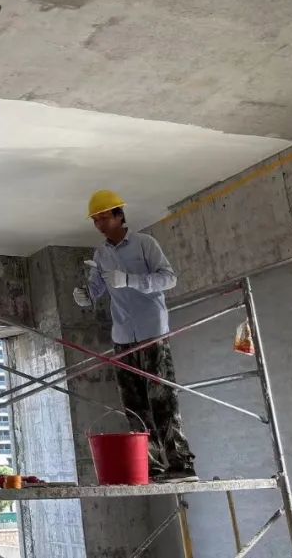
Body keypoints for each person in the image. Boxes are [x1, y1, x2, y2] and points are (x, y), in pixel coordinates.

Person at [74, 189, 197, 482]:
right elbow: (97, 289)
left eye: (104, 217)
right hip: (122, 336)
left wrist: (130, 280)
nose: (99, 224)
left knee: (162, 399)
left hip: (151, 331)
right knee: (134, 405)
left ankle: (181, 464)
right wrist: (86, 296)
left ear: (119, 215)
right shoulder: (101, 254)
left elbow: (169, 278)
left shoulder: (145, 244)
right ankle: (151, 466)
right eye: (95, 220)